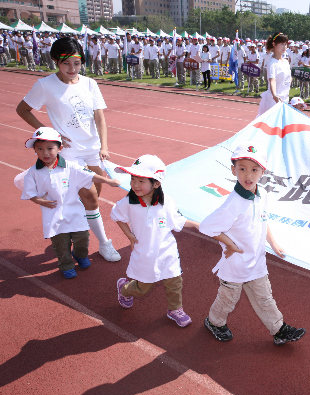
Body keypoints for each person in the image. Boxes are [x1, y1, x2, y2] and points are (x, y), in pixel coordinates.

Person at [16, 37, 122, 262]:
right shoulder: (45, 85)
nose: (72, 69)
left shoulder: (90, 83)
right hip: (69, 152)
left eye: (76, 63)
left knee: (90, 199)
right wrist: (48, 132)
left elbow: (99, 116)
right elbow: (22, 109)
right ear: (56, 61)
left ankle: (77, 230)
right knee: (91, 198)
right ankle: (104, 244)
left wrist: (104, 146)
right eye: (66, 64)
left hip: (92, 149)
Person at [199, 144, 305, 345]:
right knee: (228, 300)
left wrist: (274, 244)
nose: (248, 175)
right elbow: (206, 227)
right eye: (242, 169)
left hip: (256, 263)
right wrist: (230, 244)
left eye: (254, 170)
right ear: (233, 170)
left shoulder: (262, 195)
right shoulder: (233, 203)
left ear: (263, 172)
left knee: (265, 298)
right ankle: (214, 322)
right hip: (235, 265)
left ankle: (279, 329)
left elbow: (263, 221)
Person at [21, 127, 120, 279]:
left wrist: (108, 181)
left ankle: (80, 255)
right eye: (39, 149)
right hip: (53, 214)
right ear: (34, 150)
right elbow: (30, 193)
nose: (45, 153)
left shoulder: (70, 166)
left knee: (82, 239)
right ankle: (66, 264)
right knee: (61, 244)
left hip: (75, 213)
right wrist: (39, 200)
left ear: (59, 148)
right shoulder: (33, 172)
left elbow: (90, 175)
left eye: (50, 148)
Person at [112, 155, 198, 327]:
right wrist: (129, 235)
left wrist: (198, 225)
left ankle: (175, 309)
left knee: (175, 282)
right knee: (143, 288)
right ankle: (124, 288)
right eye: (133, 179)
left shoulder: (167, 203)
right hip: (145, 253)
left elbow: (179, 221)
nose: (135, 185)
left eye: (141, 181)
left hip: (168, 252)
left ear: (156, 183)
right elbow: (116, 215)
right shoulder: (128, 202)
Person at [256, 32, 291, 117]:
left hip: (285, 98)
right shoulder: (272, 63)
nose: (284, 47)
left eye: (285, 44)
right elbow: (272, 80)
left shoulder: (286, 62)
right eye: (282, 44)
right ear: (274, 44)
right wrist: (274, 95)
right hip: (273, 100)